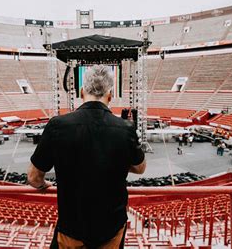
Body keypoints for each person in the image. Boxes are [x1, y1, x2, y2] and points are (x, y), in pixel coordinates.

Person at [27, 65, 146, 249]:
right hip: (111, 229)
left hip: (72, 229)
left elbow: (34, 178)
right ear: (110, 95)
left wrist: (43, 186)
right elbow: (140, 168)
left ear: (81, 92)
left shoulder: (57, 125)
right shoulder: (126, 128)